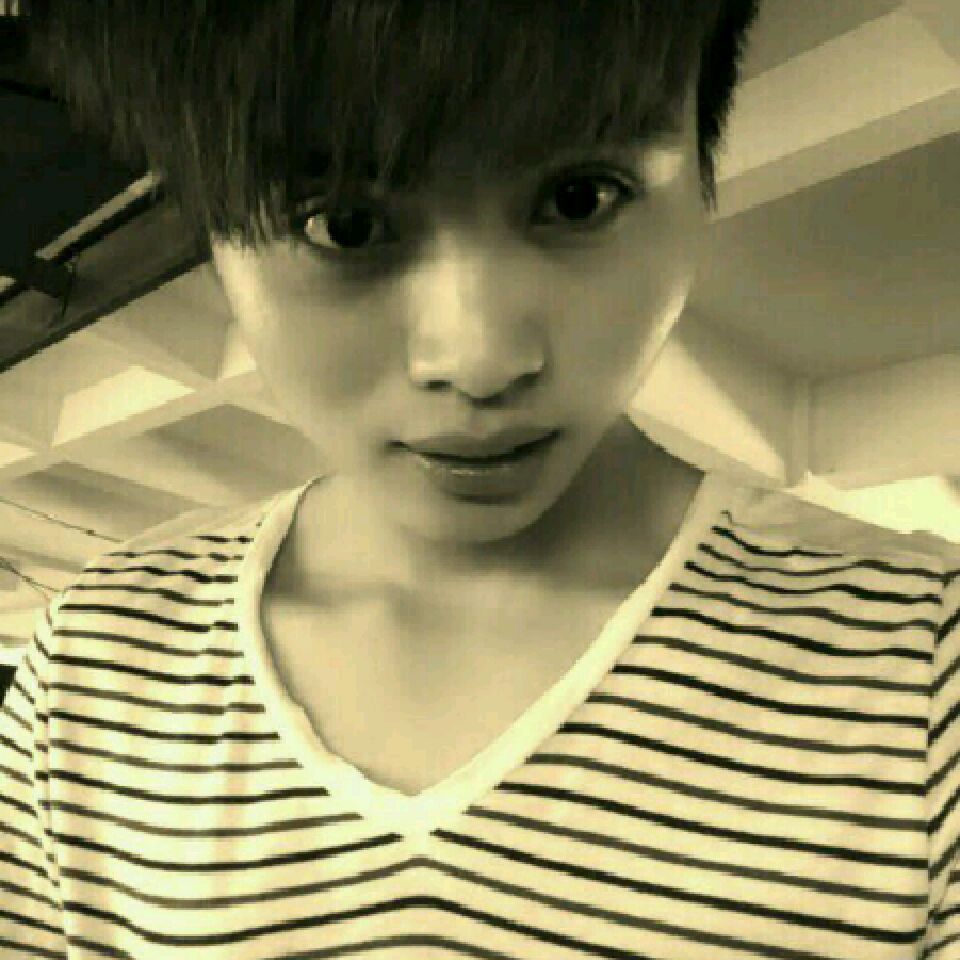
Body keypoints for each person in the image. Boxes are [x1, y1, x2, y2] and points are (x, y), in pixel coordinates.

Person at [2, 2, 958, 957]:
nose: (481, 360)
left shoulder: (921, 674)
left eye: (579, 198)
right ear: (210, 236)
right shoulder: (99, 661)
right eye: (346, 225)